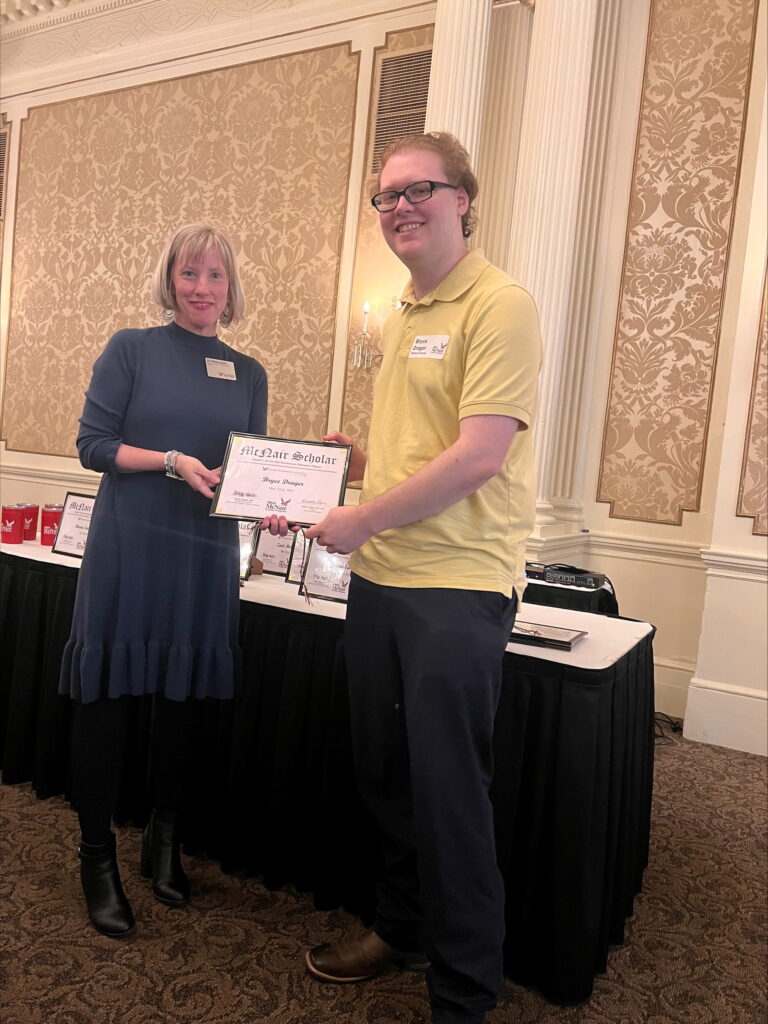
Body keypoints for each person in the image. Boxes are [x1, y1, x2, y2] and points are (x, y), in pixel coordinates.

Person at [302, 132, 541, 1024]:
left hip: (456, 586)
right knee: (387, 777)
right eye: (387, 195)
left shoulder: (501, 304)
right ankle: (398, 928)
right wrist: (359, 468)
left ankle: (464, 994)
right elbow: (428, 450)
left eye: (419, 190)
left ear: (463, 199)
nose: (399, 207)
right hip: (383, 579)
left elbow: (479, 457)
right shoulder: (401, 311)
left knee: (448, 796)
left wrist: (361, 518)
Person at [59, 224, 268, 939]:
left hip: (204, 553)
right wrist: (173, 461)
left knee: (183, 702)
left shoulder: (249, 373)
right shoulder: (132, 349)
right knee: (107, 699)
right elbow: (92, 445)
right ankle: (96, 858)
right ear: (169, 280)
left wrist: (274, 502)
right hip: (130, 547)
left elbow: (251, 470)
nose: (202, 288)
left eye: (215, 275)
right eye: (189, 273)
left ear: (231, 288)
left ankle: (163, 839)